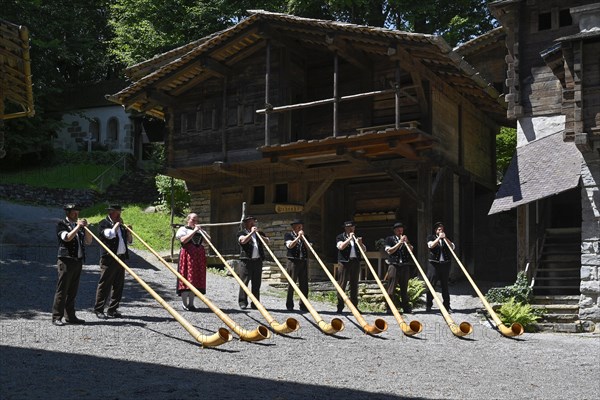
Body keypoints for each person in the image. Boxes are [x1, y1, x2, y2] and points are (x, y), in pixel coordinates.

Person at [52, 204, 92, 326]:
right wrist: (78, 227)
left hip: (77, 261)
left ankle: (70, 316)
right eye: (74, 212)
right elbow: (67, 238)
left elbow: (88, 241)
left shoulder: (77, 226)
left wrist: (86, 229)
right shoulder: (61, 224)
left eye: (77, 212)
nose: (76, 214)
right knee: (62, 290)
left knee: (72, 291)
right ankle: (56, 317)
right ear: (68, 213)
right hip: (66, 261)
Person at [94, 204, 133, 319]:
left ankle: (113, 309)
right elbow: (110, 235)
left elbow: (130, 242)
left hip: (121, 258)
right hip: (109, 258)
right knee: (105, 284)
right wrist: (117, 225)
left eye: (120, 212)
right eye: (117, 212)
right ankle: (99, 309)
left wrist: (129, 233)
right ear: (111, 212)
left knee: (118, 285)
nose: (119, 214)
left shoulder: (120, 226)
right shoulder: (103, 223)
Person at [176, 213, 211, 311]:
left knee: (194, 279)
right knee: (186, 277)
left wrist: (202, 232)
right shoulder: (183, 229)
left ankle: (191, 304)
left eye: (196, 220)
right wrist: (194, 231)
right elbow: (183, 240)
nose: (195, 222)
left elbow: (208, 241)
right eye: (193, 220)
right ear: (188, 220)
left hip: (198, 257)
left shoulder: (200, 231)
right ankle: (184, 303)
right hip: (187, 256)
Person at [237, 216, 269, 310]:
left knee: (256, 283)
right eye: (251, 222)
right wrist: (251, 233)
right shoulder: (241, 233)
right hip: (246, 261)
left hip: (257, 261)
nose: (253, 224)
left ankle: (255, 303)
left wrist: (259, 235)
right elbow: (243, 241)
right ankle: (243, 302)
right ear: (246, 224)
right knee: (244, 282)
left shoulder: (259, 233)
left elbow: (267, 241)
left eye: (253, 222)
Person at [335, 220, 366, 313]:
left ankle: (354, 307)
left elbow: (364, 250)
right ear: (345, 228)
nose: (350, 229)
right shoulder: (340, 237)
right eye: (348, 228)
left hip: (355, 262)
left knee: (354, 284)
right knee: (342, 284)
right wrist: (349, 239)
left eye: (352, 227)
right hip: (344, 262)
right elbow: (340, 247)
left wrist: (360, 243)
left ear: (354, 228)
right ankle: (340, 306)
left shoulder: (357, 237)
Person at [384, 222, 414, 314]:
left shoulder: (406, 240)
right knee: (391, 288)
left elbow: (411, 250)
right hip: (394, 265)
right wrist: (399, 243)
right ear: (394, 231)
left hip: (404, 266)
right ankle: (389, 307)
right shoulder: (389, 239)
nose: (400, 231)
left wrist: (406, 242)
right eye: (398, 229)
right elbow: (389, 251)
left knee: (404, 288)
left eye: (401, 229)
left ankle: (405, 307)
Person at [426, 222, 455, 312]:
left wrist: (445, 238)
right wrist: (439, 238)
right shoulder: (431, 237)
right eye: (439, 229)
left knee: (445, 285)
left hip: (445, 264)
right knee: (431, 284)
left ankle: (446, 305)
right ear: (436, 230)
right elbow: (430, 245)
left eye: (442, 229)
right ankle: (429, 304)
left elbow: (452, 247)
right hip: (434, 264)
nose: (441, 231)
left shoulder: (446, 238)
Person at [284, 219, 309, 311]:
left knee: (304, 284)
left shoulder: (305, 236)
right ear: (294, 227)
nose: (300, 228)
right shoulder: (288, 235)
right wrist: (298, 238)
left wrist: (303, 239)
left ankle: (304, 305)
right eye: (298, 226)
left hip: (303, 261)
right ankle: (289, 305)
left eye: (301, 226)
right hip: (293, 262)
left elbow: (309, 247)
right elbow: (290, 245)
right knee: (292, 283)